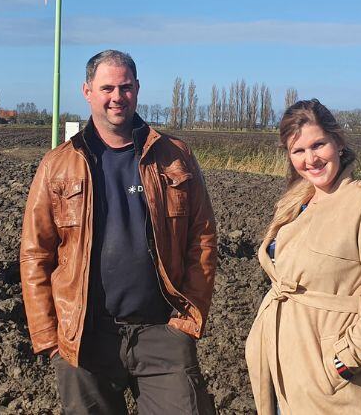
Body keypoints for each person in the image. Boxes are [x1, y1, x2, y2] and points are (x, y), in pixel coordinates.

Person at [20, 49, 218, 414]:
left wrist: (187, 319)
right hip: (86, 337)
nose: (117, 97)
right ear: (87, 91)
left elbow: (202, 237)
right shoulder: (58, 164)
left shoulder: (173, 155)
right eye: (107, 87)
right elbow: (36, 253)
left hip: (163, 332)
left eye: (125, 87)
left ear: (138, 89)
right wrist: (48, 336)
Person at [245, 99, 361, 415]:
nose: (311, 159)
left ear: (338, 141)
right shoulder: (296, 201)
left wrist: (344, 360)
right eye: (298, 151)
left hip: (335, 387)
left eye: (318, 145)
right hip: (285, 373)